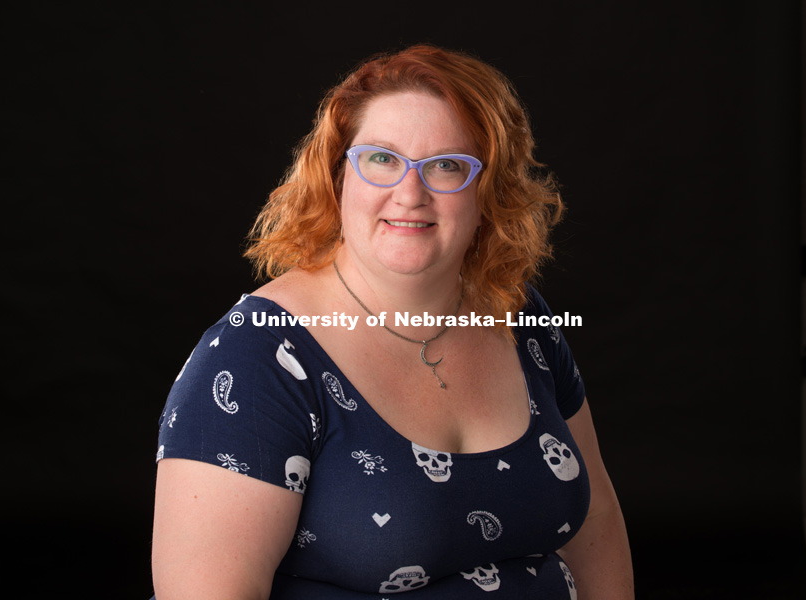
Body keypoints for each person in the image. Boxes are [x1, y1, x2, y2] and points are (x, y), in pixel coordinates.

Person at [150, 44, 634, 599]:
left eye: (447, 165)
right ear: (337, 177)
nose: (410, 193)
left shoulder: (518, 314)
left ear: (489, 191)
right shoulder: (257, 356)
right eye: (381, 159)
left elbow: (597, 525)